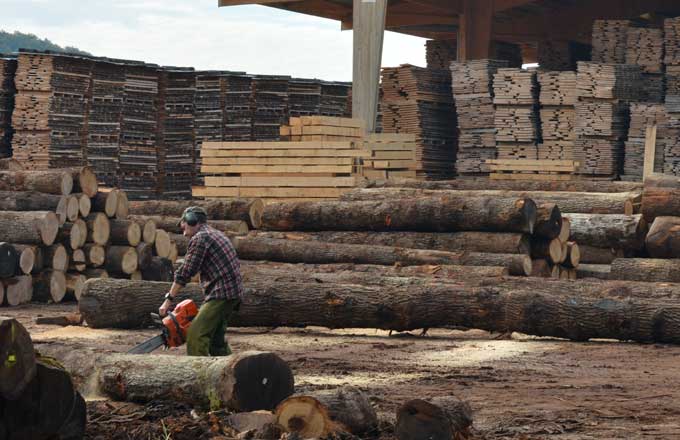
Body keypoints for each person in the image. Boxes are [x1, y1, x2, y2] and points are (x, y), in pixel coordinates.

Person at [159, 206, 244, 356]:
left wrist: (168, 300)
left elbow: (186, 272)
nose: (182, 227)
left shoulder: (200, 238)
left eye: (183, 222)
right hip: (232, 292)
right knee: (215, 340)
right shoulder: (214, 233)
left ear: (192, 220)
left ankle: (199, 376)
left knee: (195, 334)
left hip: (222, 293)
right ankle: (233, 372)